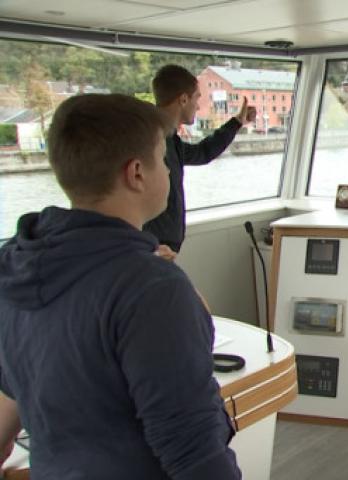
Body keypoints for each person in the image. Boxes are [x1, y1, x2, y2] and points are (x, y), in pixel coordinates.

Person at [0, 94, 241, 479]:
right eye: (163, 158)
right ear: (137, 173)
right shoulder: (152, 288)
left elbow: (11, 393)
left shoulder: (15, 265)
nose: (169, 170)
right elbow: (194, 451)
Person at [143, 64, 256, 260]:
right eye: (197, 97)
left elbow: (203, 153)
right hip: (153, 250)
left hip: (163, 249)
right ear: (183, 99)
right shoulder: (150, 140)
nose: (198, 105)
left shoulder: (170, 140)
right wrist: (148, 248)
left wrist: (237, 122)